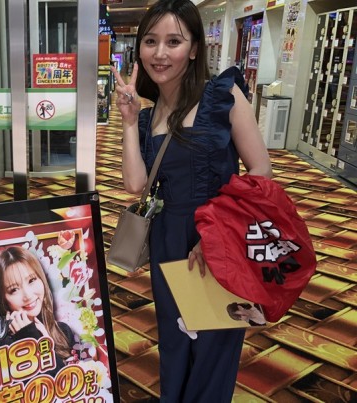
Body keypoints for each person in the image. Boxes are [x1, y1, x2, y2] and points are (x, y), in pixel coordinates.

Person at [110, 0, 272, 401]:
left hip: (220, 239)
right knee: (176, 340)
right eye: (151, 41)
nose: (160, 53)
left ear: (195, 48)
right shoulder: (148, 116)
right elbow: (134, 184)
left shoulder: (223, 96)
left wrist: (218, 237)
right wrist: (129, 123)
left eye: (174, 41)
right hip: (167, 239)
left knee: (214, 344)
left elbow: (261, 171)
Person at [0, 246, 75, 374]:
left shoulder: (63, 331)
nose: (28, 295)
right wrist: (31, 339)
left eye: (32, 280)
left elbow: (72, 383)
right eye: (14, 290)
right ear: (1, 299)